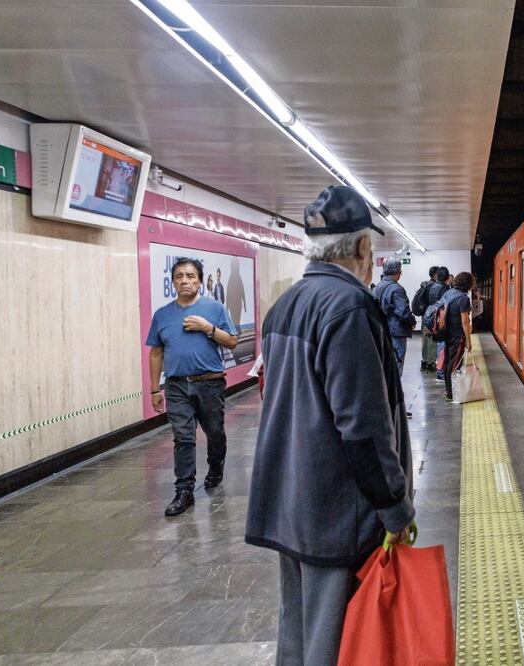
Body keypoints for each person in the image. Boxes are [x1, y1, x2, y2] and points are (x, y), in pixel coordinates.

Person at [245, 185, 414, 666]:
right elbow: (362, 426)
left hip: (292, 500)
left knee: (298, 632)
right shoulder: (348, 308)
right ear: (363, 247)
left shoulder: (285, 306)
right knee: (334, 641)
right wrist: (394, 508)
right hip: (338, 511)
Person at [146, 258, 239, 516]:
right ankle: (184, 490)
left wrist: (207, 328)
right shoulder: (162, 315)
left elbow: (231, 341)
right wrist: (155, 389)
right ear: (173, 281)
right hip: (177, 386)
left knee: (215, 432)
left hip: (209, 383)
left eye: (190, 276)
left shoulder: (214, 308)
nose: (185, 280)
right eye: (179, 276)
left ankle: (215, 465)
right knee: (183, 438)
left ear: (199, 281)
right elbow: (156, 353)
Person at [374, 258, 416, 378]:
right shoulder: (397, 289)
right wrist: (412, 322)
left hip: (382, 330)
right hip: (396, 331)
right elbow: (403, 312)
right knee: (396, 364)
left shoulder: (378, 286)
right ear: (398, 272)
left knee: (385, 364)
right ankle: (394, 394)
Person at [442, 271, 476, 401]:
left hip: (447, 333)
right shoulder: (463, 298)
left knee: (448, 361)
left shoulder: (448, 293)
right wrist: (468, 340)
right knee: (455, 363)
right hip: (458, 335)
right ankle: (451, 392)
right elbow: (465, 321)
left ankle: (448, 390)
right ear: (468, 284)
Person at [429, 267, 451, 379]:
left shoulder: (431, 287)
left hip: (433, 321)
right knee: (442, 347)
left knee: (439, 346)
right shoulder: (445, 289)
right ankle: (441, 373)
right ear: (447, 277)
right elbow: (446, 307)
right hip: (441, 322)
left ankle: (440, 371)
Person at [418, 266, 440, 372]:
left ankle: (425, 361)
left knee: (425, 340)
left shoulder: (425, 285)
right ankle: (431, 363)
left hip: (424, 317)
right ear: (435, 274)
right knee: (431, 340)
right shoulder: (434, 287)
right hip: (431, 317)